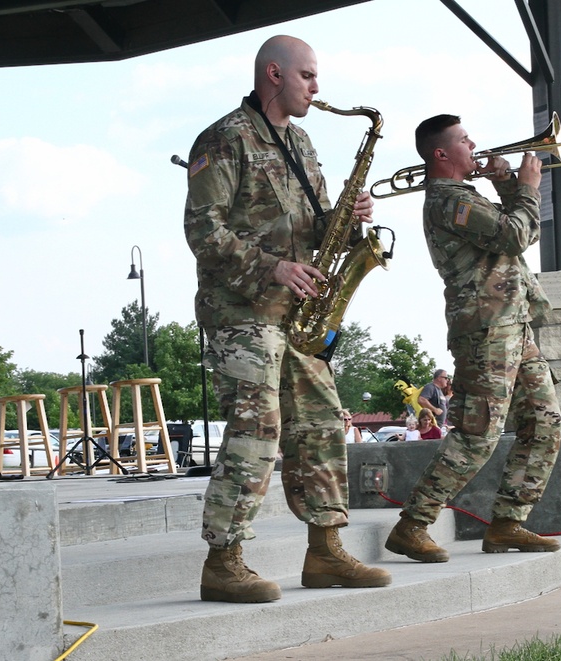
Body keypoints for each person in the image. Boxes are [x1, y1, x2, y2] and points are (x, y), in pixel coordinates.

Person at [183, 35, 390, 603]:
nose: (317, 88)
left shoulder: (300, 140)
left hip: (298, 316)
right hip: (241, 312)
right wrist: (272, 268)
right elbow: (204, 232)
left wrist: (349, 218)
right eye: (308, 76)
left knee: (322, 425)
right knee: (257, 432)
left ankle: (325, 552)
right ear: (274, 74)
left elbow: (318, 231)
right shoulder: (224, 139)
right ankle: (223, 561)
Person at [385, 114, 561, 564]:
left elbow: (517, 234)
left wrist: (507, 183)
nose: (475, 145)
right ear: (441, 154)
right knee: (477, 434)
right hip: (486, 332)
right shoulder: (449, 202)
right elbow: (516, 232)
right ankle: (414, 524)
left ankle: (507, 523)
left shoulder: (467, 196)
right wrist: (526, 185)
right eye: (465, 140)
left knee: (544, 423)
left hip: (513, 326)